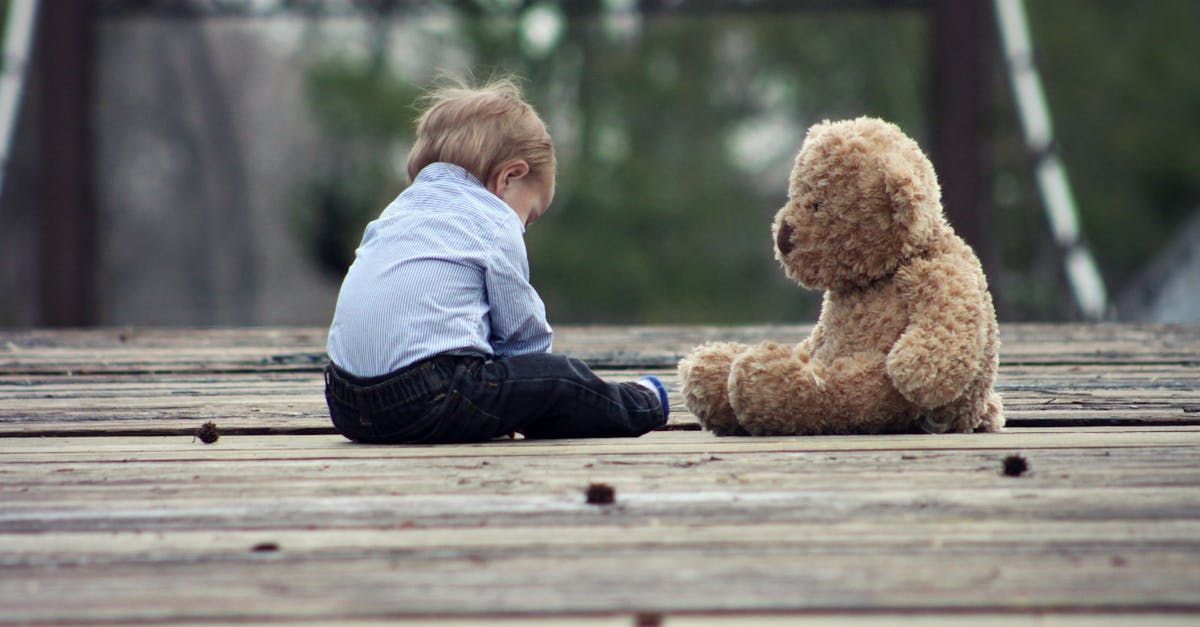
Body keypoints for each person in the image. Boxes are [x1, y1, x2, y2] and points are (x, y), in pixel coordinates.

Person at [323, 78, 668, 444]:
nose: (523, 227)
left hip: (345, 403)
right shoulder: (493, 219)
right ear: (509, 177)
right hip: (427, 398)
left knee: (509, 387)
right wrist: (534, 386)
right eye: (530, 216)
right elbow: (523, 337)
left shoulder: (396, 212)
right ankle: (643, 402)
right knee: (562, 379)